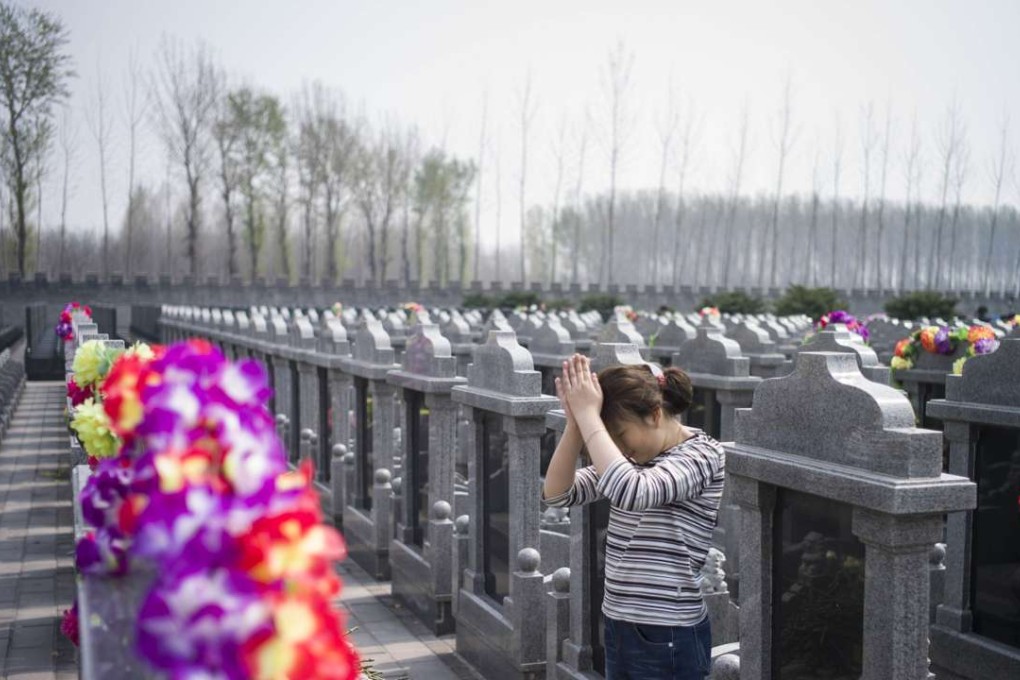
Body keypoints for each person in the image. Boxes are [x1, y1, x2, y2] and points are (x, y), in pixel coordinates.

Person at [544, 354, 725, 680]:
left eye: (621, 435)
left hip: (668, 631)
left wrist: (590, 416)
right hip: (618, 621)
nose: (619, 449)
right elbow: (558, 494)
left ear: (655, 415)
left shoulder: (702, 454)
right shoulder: (633, 460)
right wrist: (575, 426)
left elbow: (634, 492)